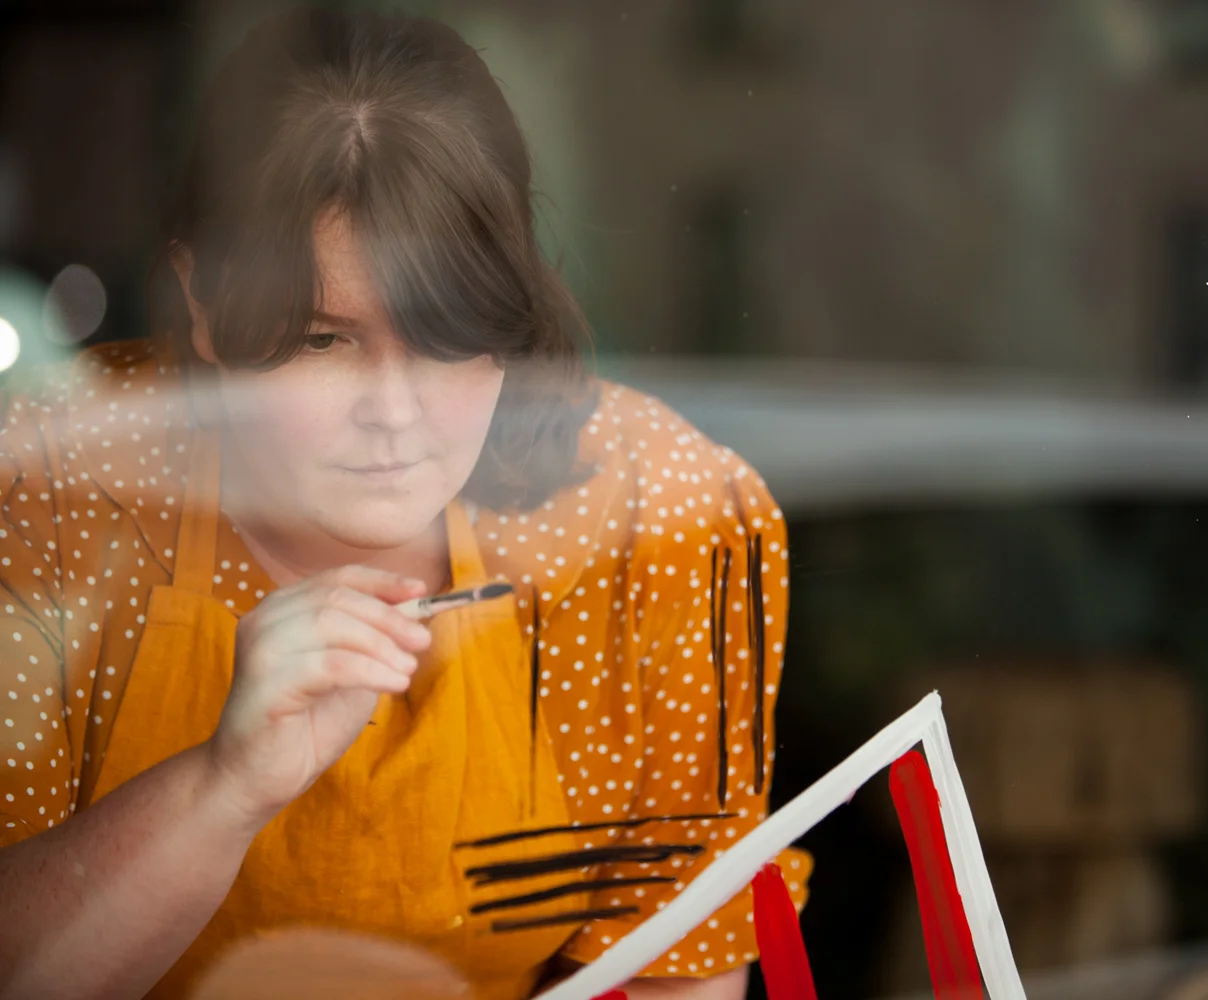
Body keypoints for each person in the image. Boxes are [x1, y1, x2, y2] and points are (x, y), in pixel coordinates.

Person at [0, 8, 807, 999]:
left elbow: (677, 973)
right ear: (202, 306)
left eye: (445, 333)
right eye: (323, 339)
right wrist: (223, 787)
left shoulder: (663, 518)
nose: (395, 412)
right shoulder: (46, 489)